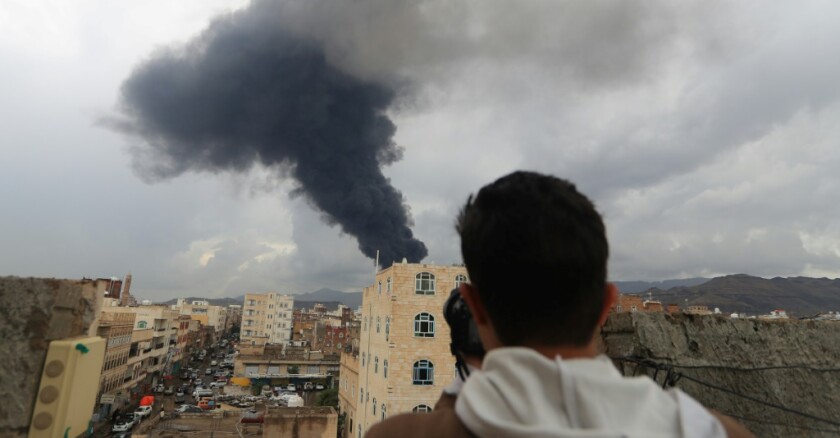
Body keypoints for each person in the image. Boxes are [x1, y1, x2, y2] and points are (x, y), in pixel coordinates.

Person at [368, 171, 753, 438]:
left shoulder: (398, 434)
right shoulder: (716, 431)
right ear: (607, 304)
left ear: (473, 304)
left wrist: (464, 382)